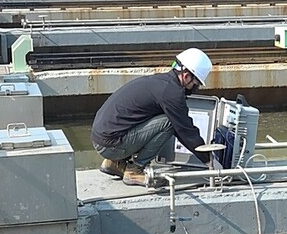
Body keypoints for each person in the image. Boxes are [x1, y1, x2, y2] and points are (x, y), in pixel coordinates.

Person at [91, 47, 213, 186]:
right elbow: (185, 130)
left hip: (101, 139)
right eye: (195, 84)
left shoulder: (160, 82)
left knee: (155, 116)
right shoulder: (171, 93)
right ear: (186, 76)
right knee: (169, 122)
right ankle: (134, 170)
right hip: (111, 145)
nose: (194, 88)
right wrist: (208, 160)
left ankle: (115, 163)